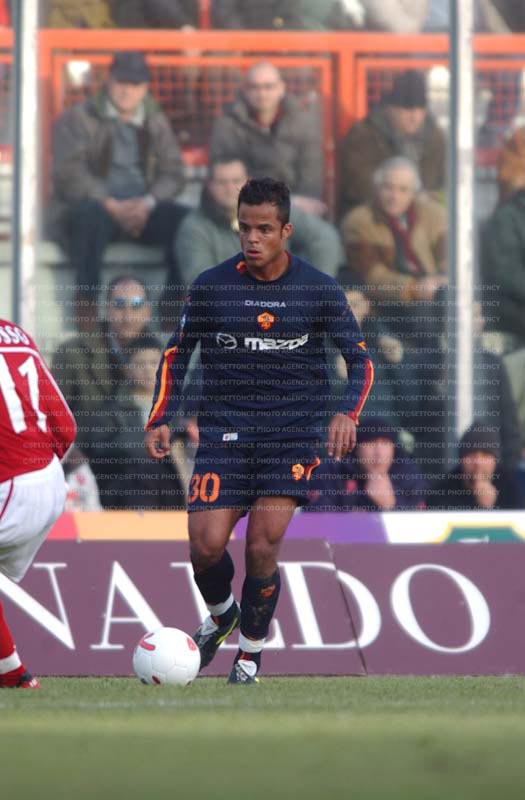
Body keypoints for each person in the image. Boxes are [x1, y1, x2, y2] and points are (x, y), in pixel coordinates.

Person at [144, 177, 374, 683]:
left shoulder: (318, 289)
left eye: (264, 229)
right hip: (225, 432)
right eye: (244, 227)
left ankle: (249, 655)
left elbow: (360, 361)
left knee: (262, 545)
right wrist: (161, 415)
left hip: (291, 436)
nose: (252, 238)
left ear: (286, 231)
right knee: (205, 546)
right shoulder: (212, 286)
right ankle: (223, 614)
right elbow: (177, 353)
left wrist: (347, 412)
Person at [49, 51, 187, 325]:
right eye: (122, 82)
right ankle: (87, 308)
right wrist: (109, 203)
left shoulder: (155, 120)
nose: (127, 91)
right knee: (89, 217)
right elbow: (69, 172)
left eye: (135, 84)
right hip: (97, 208)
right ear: (109, 81)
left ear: (145, 88)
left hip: (142, 210)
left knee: (185, 221)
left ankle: (174, 307)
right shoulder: (80, 117)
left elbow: (174, 171)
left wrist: (147, 203)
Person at [0, 319, 76, 688]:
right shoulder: (14, 333)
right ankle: (10, 672)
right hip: (49, 478)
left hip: (14, 487)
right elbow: (67, 427)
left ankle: (13, 674)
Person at [52, 275, 154, 497]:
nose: (128, 315)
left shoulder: (163, 355)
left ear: (148, 312)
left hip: (147, 472)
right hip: (86, 468)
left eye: (136, 305)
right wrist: (72, 456)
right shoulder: (72, 354)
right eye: (119, 305)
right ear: (106, 310)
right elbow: (51, 417)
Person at [175, 157, 344, 288]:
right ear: (209, 185)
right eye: (221, 182)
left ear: (248, 181)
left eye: (236, 181)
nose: (229, 189)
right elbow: (201, 285)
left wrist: (317, 290)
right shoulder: (193, 228)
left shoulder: (274, 210)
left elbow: (324, 237)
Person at [209, 61, 325, 218]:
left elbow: (311, 173)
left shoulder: (303, 122)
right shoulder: (227, 124)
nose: (262, 94)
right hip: (245, 207)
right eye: (254, 87)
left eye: (268, 87)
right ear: (245, 90)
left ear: (281, 88)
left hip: (295, 206)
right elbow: (226, 175)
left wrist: (302, 201)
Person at [338, 69, 446, 216]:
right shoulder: (363, 135)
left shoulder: (435, 138)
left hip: (424, 217)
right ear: (390, 109)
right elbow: (360, 187)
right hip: (374, 217)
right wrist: (411, 199)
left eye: (420, 109)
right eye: (407, 109)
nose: (414, 117)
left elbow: (446, 183)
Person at [306, 417, 427, 511]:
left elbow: (421, 525)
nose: (379, 452)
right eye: (371, 443)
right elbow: (316, 521)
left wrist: (392, 506)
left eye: (385, 443)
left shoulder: (408, 475)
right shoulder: (331, 472)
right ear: (356, 448)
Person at [426, 422, 523, 510]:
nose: (478, 462)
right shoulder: (442, 491)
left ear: (495, 461)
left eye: (485, 455)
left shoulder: (511, 488)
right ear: (461, 460)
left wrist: (491, 507)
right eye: (471, 455)